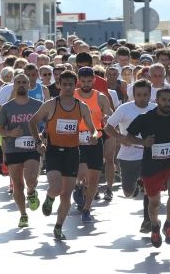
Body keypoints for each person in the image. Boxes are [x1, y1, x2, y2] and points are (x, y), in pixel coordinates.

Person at [29, 70, 98, 240]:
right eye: (64, 84)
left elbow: (92, 128)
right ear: (59, 85)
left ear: (76, 85)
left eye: (71, 85)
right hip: (53, 151)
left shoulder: (81, 106)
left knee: (66, 194)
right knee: (57, 188)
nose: (67, 87)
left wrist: (94, 136)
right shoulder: (51, 104)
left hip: (73, 152)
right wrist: (39, 142)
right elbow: (32, 121)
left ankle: (58, 227)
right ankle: (50, 198)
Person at [125, 88, 170, 247]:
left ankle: (168, 225)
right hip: (151, 165)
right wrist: (143, 142)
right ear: (157, 101)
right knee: (154, 202)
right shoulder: (145, 118)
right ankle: (155, 225)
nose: (168, 103)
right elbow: (128, 137)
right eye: (164, 100)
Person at [104, 79, 157, 234]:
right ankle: (135, 186)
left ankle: (147, 220)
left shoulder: (155, 109)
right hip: (128, 155)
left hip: (148, 154)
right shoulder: (124, 109)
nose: (142, 98)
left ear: (149, 94)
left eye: (145, 94)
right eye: (139, 95)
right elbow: (108, 127)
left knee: (150, 189)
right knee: (127, 192)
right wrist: (121, 139)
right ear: (133, 95)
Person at [0, 73, 43, 228]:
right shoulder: (6, 107)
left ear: (29, 85)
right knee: (17, 184)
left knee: (31, 180)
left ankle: (31, 192)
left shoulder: (37, 105)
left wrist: (43, 136)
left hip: (32, 147)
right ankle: (23, 214)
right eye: (18, 82)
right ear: (14, 85)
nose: (21, 84)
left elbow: (48, 124)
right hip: (13, 148)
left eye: (24, 82)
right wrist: (10, 133)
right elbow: (0, 129)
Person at [73, 67, 113, 222]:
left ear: (94, 81)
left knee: (94, 178)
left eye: (89, 81)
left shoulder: (100, 97)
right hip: (76, 140)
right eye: (83, 81)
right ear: (78, 81)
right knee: (81, 173)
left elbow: (110, 114)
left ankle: (87, 209)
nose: (86, 84)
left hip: (95, 139)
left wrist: (109, 120)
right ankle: (78, 186)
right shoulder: (73, 95)